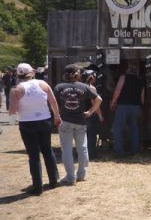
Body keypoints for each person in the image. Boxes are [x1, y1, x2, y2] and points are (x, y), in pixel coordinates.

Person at [8, 63, 61, 195]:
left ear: (18, 74)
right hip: (44, 120)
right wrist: (57, 116)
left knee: (33, 155)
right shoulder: (43, 84)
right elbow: (53, 102)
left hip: (27, 122)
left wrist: (13, 120)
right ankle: (54, 180)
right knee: (47, 150)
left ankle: (37, 187)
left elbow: (12, 110)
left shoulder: (16, 89)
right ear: (31, 72)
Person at [55, 64, 102, 184]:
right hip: (81, 121)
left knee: (66, 150)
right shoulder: (84, 87)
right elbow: (99, 100)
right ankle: (81, 174)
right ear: (77, 74)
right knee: (82, 148)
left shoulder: (59, 87)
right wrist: (90, 112)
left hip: (65, 121)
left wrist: (57, 114)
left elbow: (52, 102)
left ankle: (70, 177)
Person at [110, 62, 144, 156]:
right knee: (134, 128)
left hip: (123, 106)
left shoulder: (123, 77)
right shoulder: (140, 80)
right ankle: (135, 150)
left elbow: (118, 90)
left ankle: (119, 150)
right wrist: (141, 107)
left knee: (118, 128)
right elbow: (142, 96)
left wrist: (113, 101)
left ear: (128, 70)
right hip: (136, 106)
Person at [83, 69, 104, 160]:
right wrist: (100, 115)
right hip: (90, 114)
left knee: (83, 136)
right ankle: (91, 154)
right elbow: (95, 103)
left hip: (81, 114)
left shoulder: (80, 86)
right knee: (91, 135)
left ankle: (83, 154)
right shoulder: (91, 88)